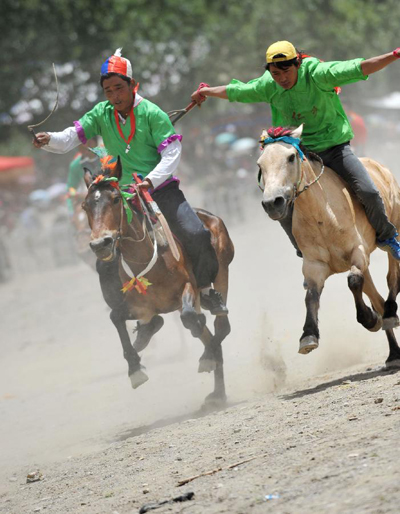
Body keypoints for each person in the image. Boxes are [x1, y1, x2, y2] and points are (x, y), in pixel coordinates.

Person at [32, 48, 227, 315]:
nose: (114, 96)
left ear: (133, 85)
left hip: (161, 190)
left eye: (119, 88)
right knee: (104, 251)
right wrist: (48, 139)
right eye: (108, 91)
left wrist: (150, 180)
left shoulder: (152, 113)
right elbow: (71, 137)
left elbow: (172, 153)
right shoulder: (101, 113)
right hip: (121, 197)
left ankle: (205, 292)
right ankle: (125, 310)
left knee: (196, 234)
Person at [191, 40, 400, 260]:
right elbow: (238, 91)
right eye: (275, 74)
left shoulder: (319, 74)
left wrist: (394, 54)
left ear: (298, 63)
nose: (281, 79)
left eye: (286, 71)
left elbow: (360, 68)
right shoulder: (268, 85)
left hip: (335, 149)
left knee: (367, 191)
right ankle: (304, 248)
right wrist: (207, 91)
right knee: (276, 201)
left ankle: (387, 236)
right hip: (300, 155)